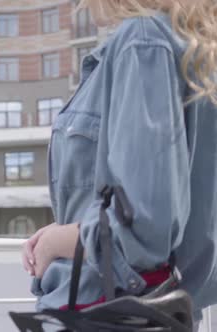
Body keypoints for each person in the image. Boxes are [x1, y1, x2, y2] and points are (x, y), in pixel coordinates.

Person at [21, 0, 217, 330]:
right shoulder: (189, 48)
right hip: (158, 310)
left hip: (103, 311)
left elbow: (146, 228)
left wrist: (59, 240)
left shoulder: (142, 40)